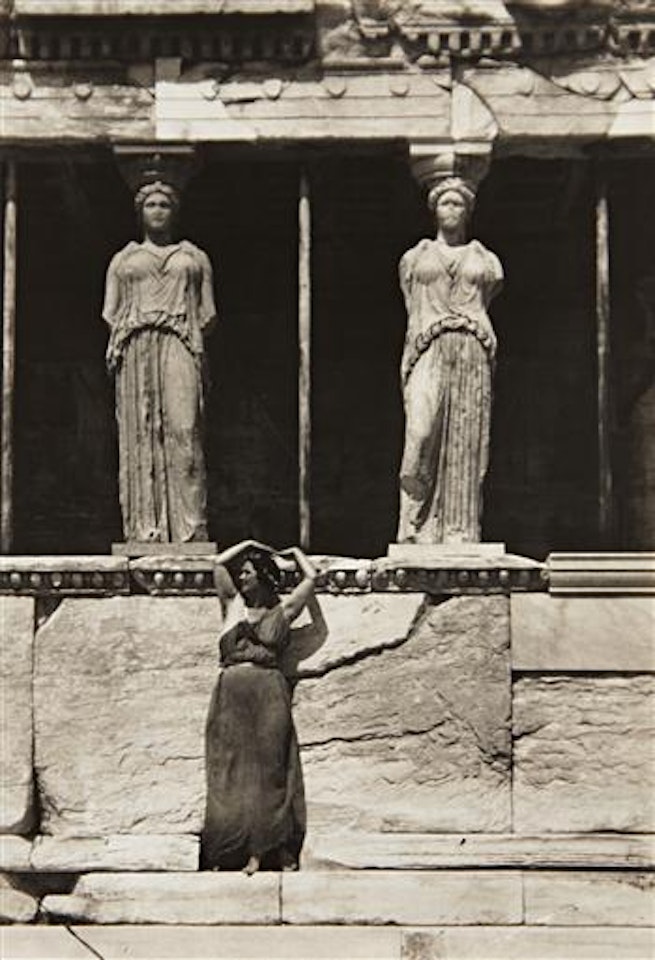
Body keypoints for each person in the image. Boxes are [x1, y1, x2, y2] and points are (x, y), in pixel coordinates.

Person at [102, 179, 216, 543]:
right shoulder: (124, 260)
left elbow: (208, 313)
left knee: (185, 430)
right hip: (136, 346)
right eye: (150, 205)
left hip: (181, 341)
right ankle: (143, 530)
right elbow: (110, 311)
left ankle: (190, 526)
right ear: (140, 212)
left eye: (164, 205)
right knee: (141, 433)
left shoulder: (194, 257)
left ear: (175, 211)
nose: (157, 211)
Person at [397, 177, 503, 544]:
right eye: (445, 203)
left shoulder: (487, 260)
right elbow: (412, 308)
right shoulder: (414, 257)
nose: (451, 210)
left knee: (466, 444)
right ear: (434, 210)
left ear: (468, 211)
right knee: (420, 434)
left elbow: (488, 296)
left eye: (458, 204)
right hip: (429, 346)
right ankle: (412, 526)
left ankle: (459, 532)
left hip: (472, 348)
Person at [202, 539, 316, 874]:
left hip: (268, 691)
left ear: (264, 576)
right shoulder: (232, 605)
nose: (242, 577)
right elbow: (217, 565)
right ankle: (228, 850)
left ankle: (267, 849)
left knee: (271, 770)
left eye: (249, 572)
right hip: (231, 693)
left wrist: (292, 553)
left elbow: (311, 578)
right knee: (228, 771)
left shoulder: (282, 612)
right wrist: (249, 544)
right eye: (243, 573)